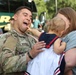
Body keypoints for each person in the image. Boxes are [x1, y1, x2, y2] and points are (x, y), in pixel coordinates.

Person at [0, 6, 46, 75]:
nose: (28, 19)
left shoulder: (32, 38)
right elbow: (6, 65)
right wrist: (30, 55)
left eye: (30, 17)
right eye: (25, 15)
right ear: (15, 17)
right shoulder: (7, 38)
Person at [55, 7, 76, 75]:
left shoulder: (74, 35)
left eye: (61, 20)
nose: (57, 23)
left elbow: (69, 62)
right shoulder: (59, 37)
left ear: (70, 21)